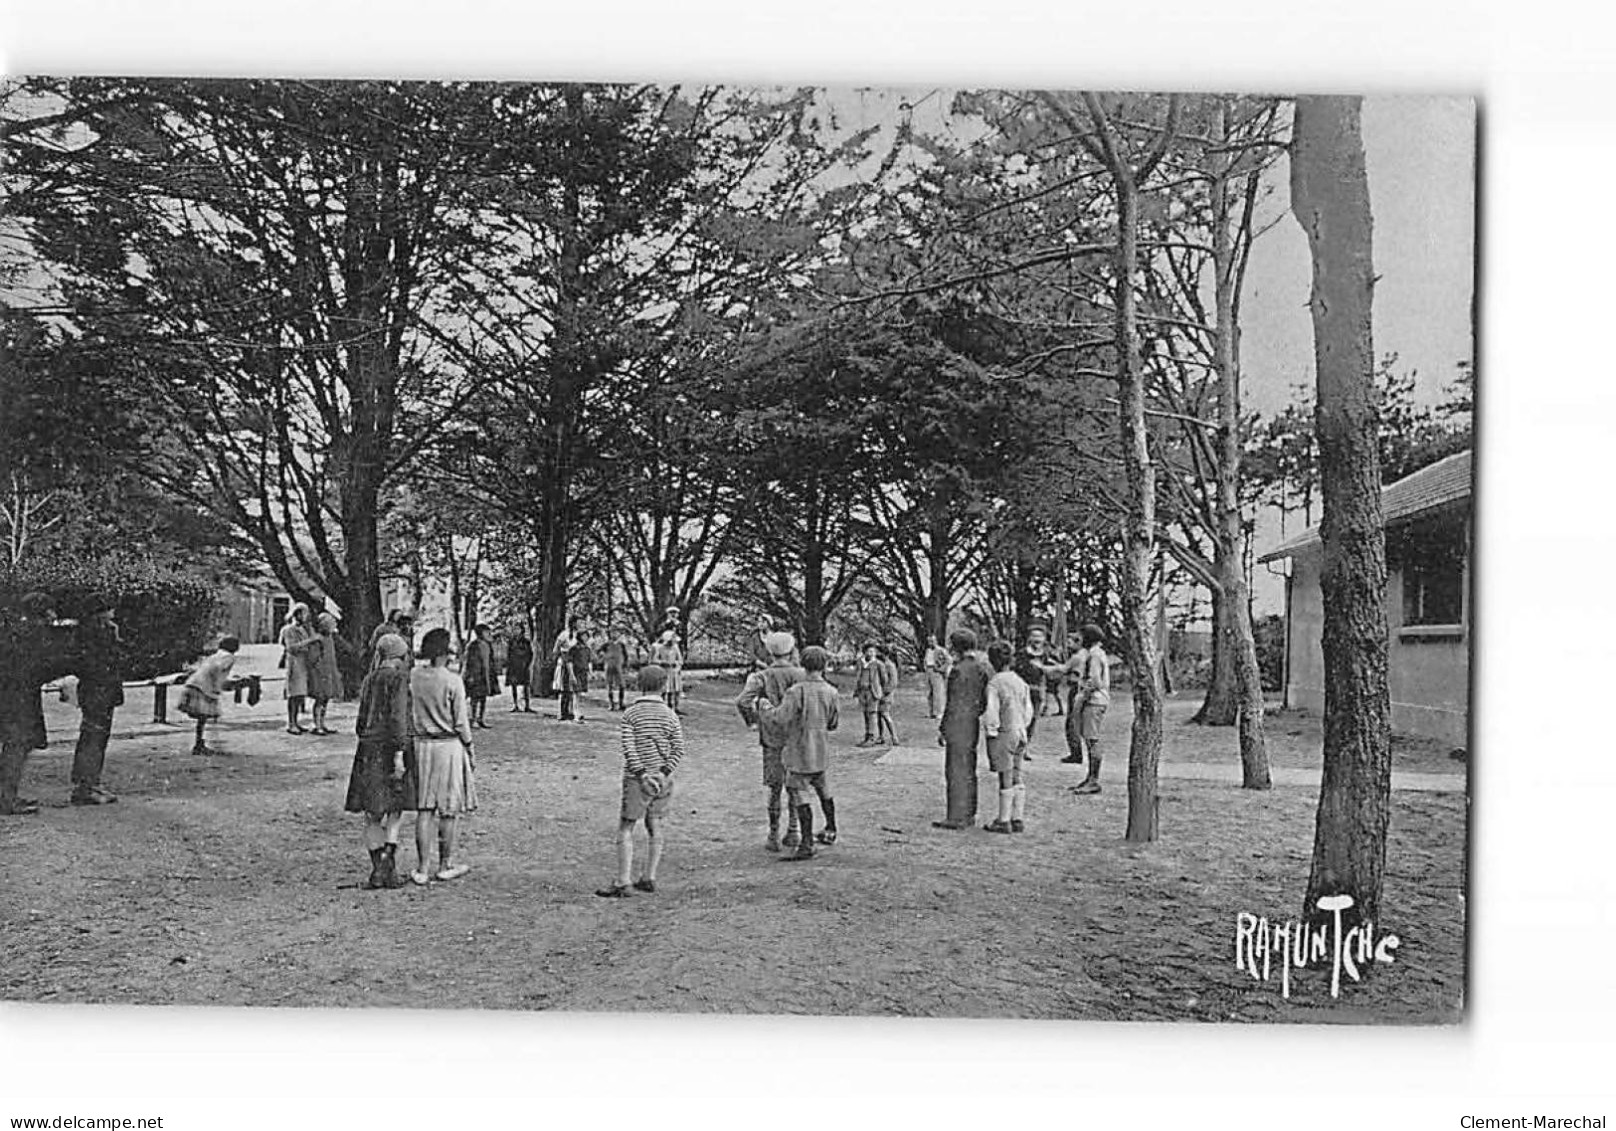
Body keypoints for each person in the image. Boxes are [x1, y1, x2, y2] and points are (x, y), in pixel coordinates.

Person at [596, 664, 686, 898]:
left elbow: (629, 747)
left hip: (637, 779)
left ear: (638, 685)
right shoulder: (670, 715)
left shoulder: (631, 714)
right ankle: (649, 876)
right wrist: (663, 772)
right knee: (655, 824)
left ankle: (622, 880)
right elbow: (678, 748)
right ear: (664, 686)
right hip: (663, 779)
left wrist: (642, 774)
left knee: (626, 827)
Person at [344, 634, 417, 889]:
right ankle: (388, 866)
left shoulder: (370, 679)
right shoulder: (399, 679)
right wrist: (400, 752)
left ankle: (378, 869)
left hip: (368, 749)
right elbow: (398, 719)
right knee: (395, 809)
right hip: (391, 749)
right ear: (401, 656)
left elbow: (360, 721)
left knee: (372, 813)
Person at [408, 628, 478, 883]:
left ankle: (422, 868)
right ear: (445, 653)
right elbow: (461, 722)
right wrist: (469, 747)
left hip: (422, 745)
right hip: (448, 746)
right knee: (448, 808)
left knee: (424, 808)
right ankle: (446, 863)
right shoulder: (452, 680)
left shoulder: (414, 676)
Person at [758, 644, 839, 861]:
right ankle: (831, 828)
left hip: (799, 749)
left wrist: (765, 707)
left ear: (802, 664)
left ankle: (806, 843)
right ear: (825, 665)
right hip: (820, 749)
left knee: (799, 792)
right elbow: (833, 723)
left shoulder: (796, 691)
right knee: (823, 789)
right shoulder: (832, 692)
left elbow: (780, 718)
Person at [0, 592, 77, 816]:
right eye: (51, 610)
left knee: (14, 747)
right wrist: (67, 670)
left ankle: (7, 796)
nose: (54, 615)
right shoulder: (33, 634)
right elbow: (39, 667)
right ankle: (7, 800)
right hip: (19, 699)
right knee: (17, 747)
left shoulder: (15, 631)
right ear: (41, 612)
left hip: (11, 696)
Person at [734, 631, 805, 852]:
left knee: (774, 787)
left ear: (770, 652)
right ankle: (793, 830)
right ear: (791, 650)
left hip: (771, 737)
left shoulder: (762, 676)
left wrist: (753, 721)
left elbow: (743, 701)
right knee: (795, 787)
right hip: (796, 738)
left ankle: (773, 834)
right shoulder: (802, 674)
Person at [69, 594, 124, 806]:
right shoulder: (100, 633)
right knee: (95, 737)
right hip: (100, 689)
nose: (113, 613)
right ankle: (86, 786)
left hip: (95, 690)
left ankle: (89, 783)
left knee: (94, 736)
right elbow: (109, 660)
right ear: (100, 613)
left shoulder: (86, 632)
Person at [933, 628, 990, 831]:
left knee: (955, 770)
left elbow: (952, 703)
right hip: (972, 723)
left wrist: (943, 728)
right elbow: (984, 700)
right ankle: (969, 813)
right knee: (969, 769)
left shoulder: (957, 670)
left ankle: (956, 816)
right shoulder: (982, 669)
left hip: (957, 724)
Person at [982, 640, 1034, 834]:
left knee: (1005, 774)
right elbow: (1029, 709)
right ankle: (1017, 817)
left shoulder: (995, 683)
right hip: (1021, 731)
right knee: (1017, 773)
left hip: (1005, 732)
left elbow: (992, 709)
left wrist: (991, 731)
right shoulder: (1020, 682)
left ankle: (1003, 820)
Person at [178, 636, 241, 757]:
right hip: (205, 687)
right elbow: (218, 669)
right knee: (204, 716)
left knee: (202, 719)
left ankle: (199, 743)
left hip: (196, 683)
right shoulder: (229, 657)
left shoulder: (215, 655)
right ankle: (199, 744)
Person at [1068, 624, 1112, 796]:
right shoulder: (1097, 653)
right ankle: (1090, 777)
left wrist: (1083, 695)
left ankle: (1094, 780)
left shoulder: (1094, 655)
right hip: (1097, 700)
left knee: (1092, 739)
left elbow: (1095, 680)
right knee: (1089, 738)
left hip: (1094, 701)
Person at [1011, 623, 1053, 758]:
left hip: (1038, 692)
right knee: (1019, 719)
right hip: (1022, 690)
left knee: (1032, 721)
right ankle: (1016, 746)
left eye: (1039, 636)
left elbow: (1050, 677)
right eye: (1034, 636)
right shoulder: (1022, 654)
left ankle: (1025, 747)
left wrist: (1047, 698)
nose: (1036, 639)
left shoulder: (1046, 655)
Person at [279, 603, 316, 735]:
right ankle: (291, 723)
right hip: (294, 663)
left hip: (302, 662)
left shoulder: (304, 629)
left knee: (300, 694)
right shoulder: (289, 629)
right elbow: (291, 647)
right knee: (293, 694)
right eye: (304, 613)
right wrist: (309, 641)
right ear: (297, 614)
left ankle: (296, 722)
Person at [305, 611, 344, 736]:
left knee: (325, 699)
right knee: (320, 699)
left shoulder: (330, 638)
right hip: (320, 672)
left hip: (329, 670)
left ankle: (322, 723)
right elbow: (313, 658)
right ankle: (317, 725)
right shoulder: (318, 640)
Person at [461, 623, 499, 729]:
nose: (489, 634)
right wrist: (470, 675)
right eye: (486, 632)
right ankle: (472, 719)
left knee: (483, 697)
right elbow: (469, 662)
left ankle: (481, 718)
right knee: (474, 698)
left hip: (486, 674)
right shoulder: (472, 645)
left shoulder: (488, 645)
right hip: (476, 674)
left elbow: (490, 660)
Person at [853, 642, 886, 747]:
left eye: (873, 651)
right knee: (865, 714)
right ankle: (867, 735)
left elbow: (884, 679)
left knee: (872, 714)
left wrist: (880, 690)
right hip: (862, 691)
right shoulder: (860, 662)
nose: (871, 653)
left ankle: (872, 737)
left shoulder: (878, 664)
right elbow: (857, 676)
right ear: (865, 652)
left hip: (873, 692)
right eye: (869, 651)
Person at [650, 628, 683, 715]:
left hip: (674, 670)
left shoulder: (675, 648)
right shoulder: (660, 648)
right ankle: (664, 707)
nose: (672, 642)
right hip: (664, 670)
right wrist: (662, 662)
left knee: (676, 690)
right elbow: (654, 659)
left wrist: (677, 665)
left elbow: (680, 660)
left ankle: (675, 708)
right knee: (665, 689)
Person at [566, 627, 593, 723]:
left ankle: (578, 712)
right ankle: (575, 714)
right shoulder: (573, 649)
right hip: (576, 672)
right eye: (583, 636)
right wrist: (571, 674)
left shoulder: (587, 649)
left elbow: (589, 662)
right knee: (575, 693)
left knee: (580, 694)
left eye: (586, 636)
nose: (585, 638)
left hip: (583, 673)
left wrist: (590, 672)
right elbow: (569, 662)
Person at [922, 633, 952, 719]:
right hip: (928, 671)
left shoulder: (941, 650)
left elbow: (949, 660)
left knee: (938, 692)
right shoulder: (928, 650)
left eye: (932, 641)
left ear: (936, 641)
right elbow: (926, 660)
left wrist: (941, 669)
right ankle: (931, 711)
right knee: (929, 693)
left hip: (936, 672)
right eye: (929, 641)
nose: (930, 643)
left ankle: (939, 712)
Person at [504, 626, 534, 713]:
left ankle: (527, 706)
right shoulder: (511, 642)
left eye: (518, 629)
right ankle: (515, 704)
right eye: (515, 629)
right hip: (514, 666)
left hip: (524, 666)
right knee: (514, 685)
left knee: (526, 686)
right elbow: (509, 654)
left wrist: (527, 663)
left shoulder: (526, 642)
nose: (516, 631)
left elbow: (530, 654)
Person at [599, 629, 629, 711]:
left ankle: (621, 703)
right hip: (609, 666)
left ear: (619, 634)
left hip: (619, 666)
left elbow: (626, 656)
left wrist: (625, 666)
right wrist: (603, 657)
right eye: (613, 632)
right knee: (610, 685)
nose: (614, 634)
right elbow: (599, 652)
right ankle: (611, 704)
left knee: (622, 685)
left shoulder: (622, 645)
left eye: (616, 632)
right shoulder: (606, 644)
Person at [877, 645, 901, 746]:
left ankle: (894, 736)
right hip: (879, 693)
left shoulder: (890, 666)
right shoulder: (881, 665)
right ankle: (881, 736)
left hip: (886, 695)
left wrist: (885, 692)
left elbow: (893, 682)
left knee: (885, 714)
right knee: (878, 716)